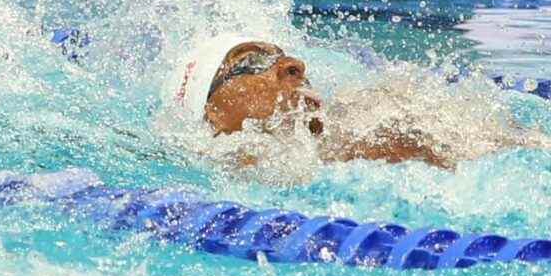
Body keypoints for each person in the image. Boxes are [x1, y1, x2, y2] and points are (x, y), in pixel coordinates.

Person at [173, 40, 448, 168]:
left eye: (280, 55)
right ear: (214, 112)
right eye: (253, 62)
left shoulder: (360, 134)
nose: (294, 64)